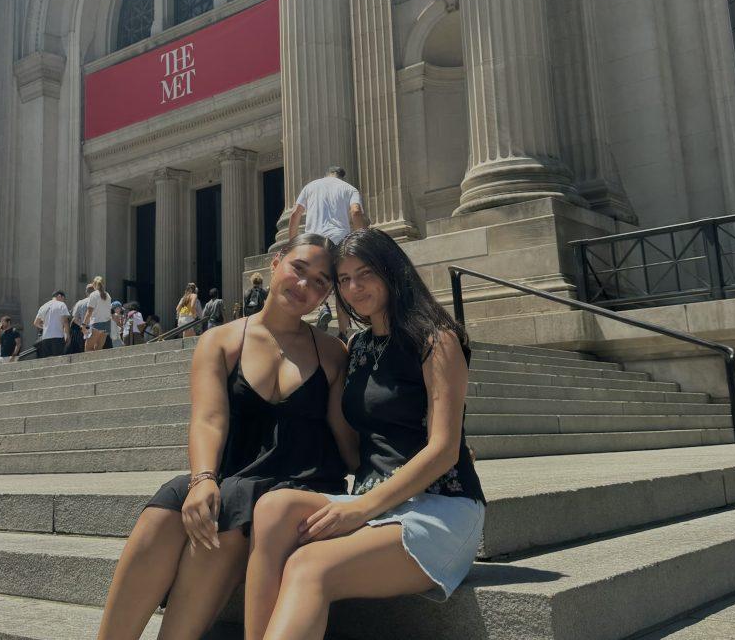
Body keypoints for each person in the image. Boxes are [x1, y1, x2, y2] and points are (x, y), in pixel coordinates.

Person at [96, 234, 352, 640]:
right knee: (169, 503)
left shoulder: (333, 352)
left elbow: (346, 438)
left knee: (232, 504)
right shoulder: (221, 340)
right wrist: (202, 479)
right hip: (236, 474)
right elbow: (208, 419)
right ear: (274, 264)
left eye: (321, 282)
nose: (305, 286)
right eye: (299, 269)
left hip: (301, 481)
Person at [243, 228, 486, 640]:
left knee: (309, 566)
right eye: (343, 279)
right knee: (272, 508)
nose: (354, 288)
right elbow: (353, 447)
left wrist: (360, 509)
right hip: (376, 501)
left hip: (440, 508)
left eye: (366, 273)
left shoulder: (436, 339)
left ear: (392, 272)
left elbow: (443, 450)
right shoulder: (357, 347)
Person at [287, 166, 369, 340]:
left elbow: (295, 214)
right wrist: (362, 241)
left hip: (314, 242)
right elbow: (356, 212)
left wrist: (293, 244)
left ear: (326, 175)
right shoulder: (349, 189)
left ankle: (319, 310)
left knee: (309, 282)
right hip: (339, 241)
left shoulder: (311, 186)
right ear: (342, 177)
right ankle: (343, 333)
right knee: (340, 286)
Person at [34, 291, 71, 359]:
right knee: (58, 359)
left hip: (45, 337)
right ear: (59, 296)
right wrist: (67, 335)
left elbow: (36, 323)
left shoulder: (43, 306)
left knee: (48, 360)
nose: (63, 301)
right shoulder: (61, 304)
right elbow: (65, 321)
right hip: (58, 336)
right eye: (63, 299)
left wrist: (45, 327)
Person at [82, 276, 113, 351]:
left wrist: (83, 325)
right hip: (107, 324)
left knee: (88, 348)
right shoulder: (107, 295)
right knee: (98, 348)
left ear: (94, 284)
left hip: (97, 323)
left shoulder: (93, 295)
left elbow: (89, 312)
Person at [66, 284, 94, 355]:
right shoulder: (98, 302)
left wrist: (82, 326)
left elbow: (75, 319)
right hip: (95, 329)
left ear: (86, 292)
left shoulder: (79, 303)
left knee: (83, 350)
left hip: (82, 330)